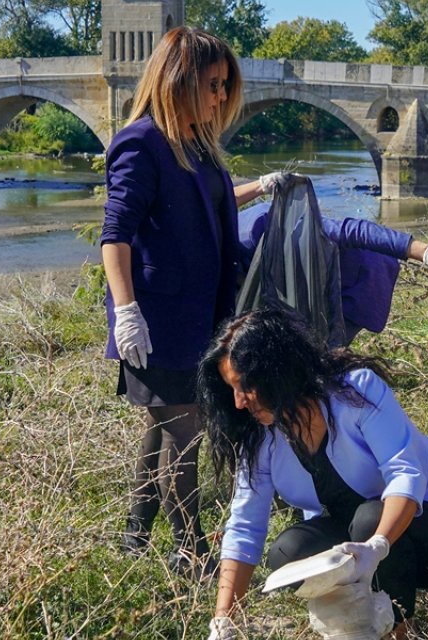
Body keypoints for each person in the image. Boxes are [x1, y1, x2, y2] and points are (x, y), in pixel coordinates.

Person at [99, 26, 281, 575]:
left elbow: (209, 203)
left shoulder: (197, 144)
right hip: (160, 320)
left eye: (226, 85)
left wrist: (262, 187)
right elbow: (116, 235)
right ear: (178, 81)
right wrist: (127, 312)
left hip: (202, 315)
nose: (222, 96)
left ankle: (134, 536)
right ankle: (188, 550)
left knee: (163, 426)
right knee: (185, 435)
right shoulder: (141, 142)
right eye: (213, 84)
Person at [199, 305, 428, 639]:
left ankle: (397, 630)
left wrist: (377, 546)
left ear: (277, 370)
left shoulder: (355, 392)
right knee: (288, 552)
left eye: (244, 386)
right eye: (230, 388)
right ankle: (359, 621)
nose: (238, 402)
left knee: (369, 519)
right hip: (359, 539)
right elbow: (245, 524)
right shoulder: (261, 436)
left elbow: (406, 473)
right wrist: (224, 620)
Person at [237, 199, 428, 344]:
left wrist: (427, 253)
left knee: (323, 354)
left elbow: (352, 231)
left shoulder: (261, 230)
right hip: (310, 285)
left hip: (358, 279)